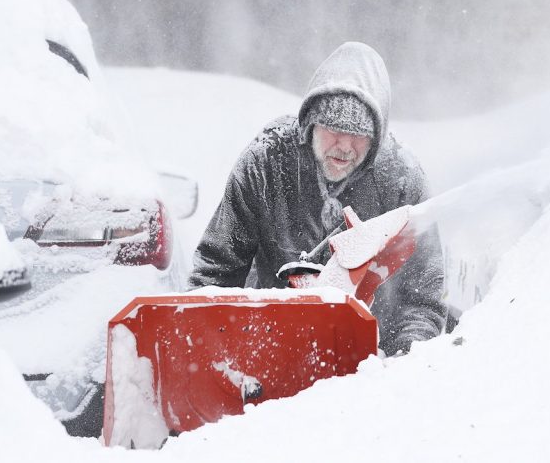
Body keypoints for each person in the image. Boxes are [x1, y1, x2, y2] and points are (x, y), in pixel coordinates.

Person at [188, 41, 446, 356]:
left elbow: (423, 300)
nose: (345, 146)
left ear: (377, 138)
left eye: (360, 135)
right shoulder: (265, 164)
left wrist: (399, 363)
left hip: (370, 360)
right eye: (334, 129)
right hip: (270, 345)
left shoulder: (402, 182)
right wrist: (206, 350)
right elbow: (217, 269)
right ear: (311, 124)